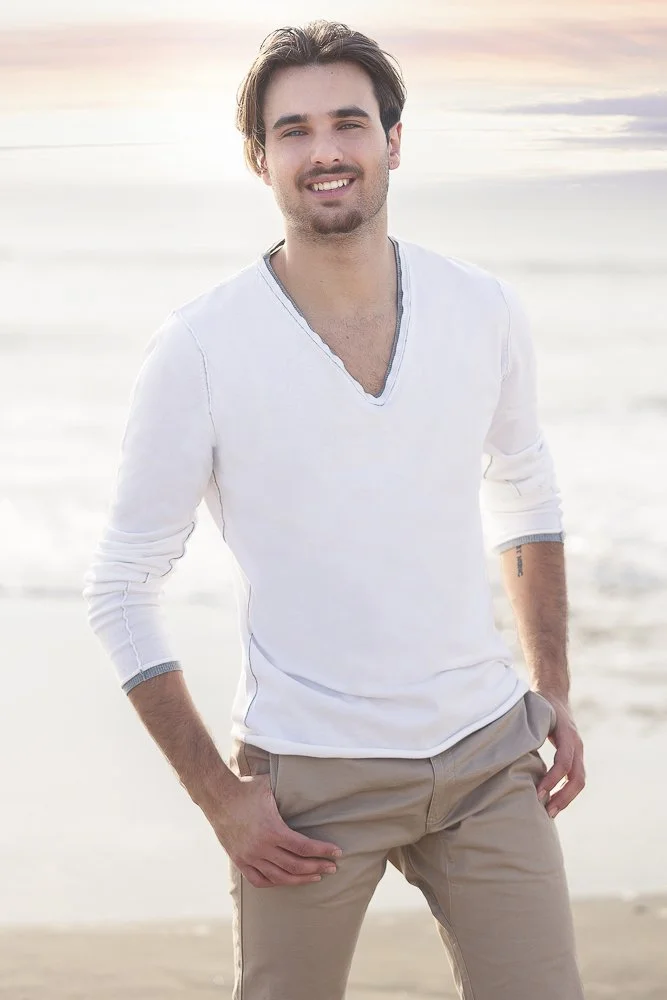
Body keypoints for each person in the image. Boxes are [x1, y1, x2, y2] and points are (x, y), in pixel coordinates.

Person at [82, 19, 586, 1000]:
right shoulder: (199, 349)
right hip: (308, 784)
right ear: (258, 157)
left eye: (348, 123)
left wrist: (552, 686)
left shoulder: (480, 307)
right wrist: (219, 798)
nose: (325, 151)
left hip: (487, 758)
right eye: (295, 130)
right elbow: (121, 584)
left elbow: (525, 489)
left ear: (393, 140)